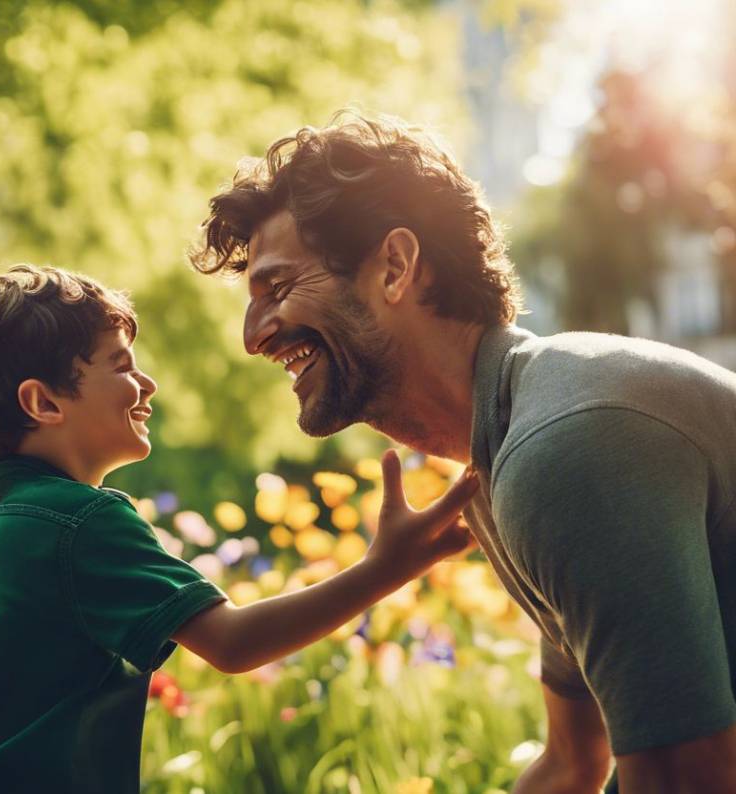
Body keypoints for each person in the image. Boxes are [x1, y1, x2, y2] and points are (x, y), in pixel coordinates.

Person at [190, 110, 736, 793]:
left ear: (395, 266)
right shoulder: (506, 450)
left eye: (277, 288)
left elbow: (689, 782)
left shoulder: (567, 449)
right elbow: (573, 763)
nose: (253, 336)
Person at [0, 264, 476, 793]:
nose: (146, 385)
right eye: (121, 366)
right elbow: (233, 641)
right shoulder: (81, 522)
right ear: (43, 403)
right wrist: (388, 568)